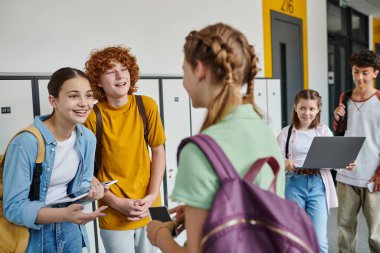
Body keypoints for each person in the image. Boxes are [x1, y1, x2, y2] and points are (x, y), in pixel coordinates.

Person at [146, 22, 285, 253]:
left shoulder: (198, 151)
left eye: (184, 71)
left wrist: (159, 235)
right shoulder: (262, 127)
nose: (183, 82)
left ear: (199, 69)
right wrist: (205, 210)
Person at [2, 67, 107, 253]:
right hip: (33, 234)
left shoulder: (87, 139)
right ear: (53, 100)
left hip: (72, 230)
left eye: (89, 95)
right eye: (74, 96)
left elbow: (79, 191)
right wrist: (62, 215)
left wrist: (91, 195)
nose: (84, 103)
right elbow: (13, 208)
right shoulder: (26, 143)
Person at [84, 46, 166, 253]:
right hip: (114, 210)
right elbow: (85, 170)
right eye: (110, 71)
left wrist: (153, 194)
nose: (120, 76)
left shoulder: (147, 105)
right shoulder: (92, 116)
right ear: (98, 82)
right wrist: (117, 203)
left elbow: (158, 151)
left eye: (124, 69)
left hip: (153, 204)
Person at [277, 89, 355, 253]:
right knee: (294, 237)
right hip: (293, 184)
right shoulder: (286, 133)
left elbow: (332, 160)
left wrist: (344, 163)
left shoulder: (323, 131)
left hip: (318, 185)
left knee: (319, 242)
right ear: (296, 108)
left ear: (318, 109)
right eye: (303, 108)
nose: (307, 113)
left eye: (311, 109)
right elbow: (276, 161)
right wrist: (285, 162)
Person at [333, 49, 380, 252]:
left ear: (375, 73)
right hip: (346, 173)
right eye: (355, 71)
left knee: (376, 234)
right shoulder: (346, 97)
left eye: (365, 72)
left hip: (372, 176)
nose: (359, 77)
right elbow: (342, 132)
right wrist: (337, 117)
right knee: (344, 231)